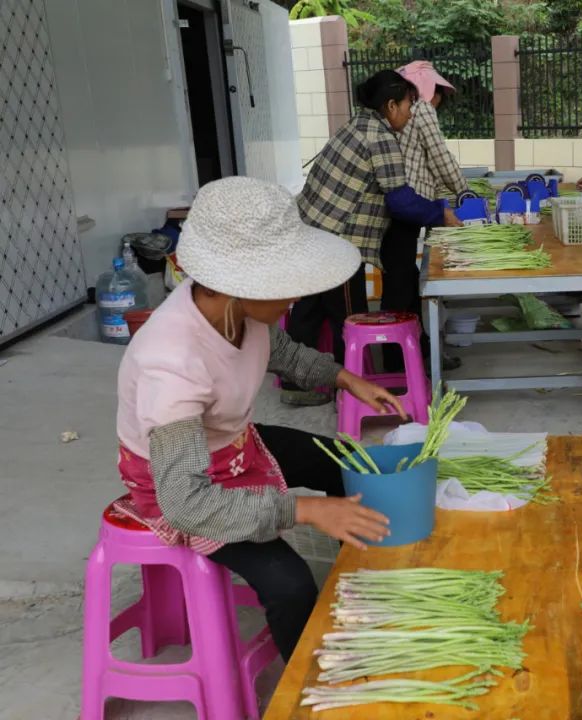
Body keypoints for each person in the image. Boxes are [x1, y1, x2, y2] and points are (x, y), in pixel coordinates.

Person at [115, 176, 408, 660]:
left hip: (230, 446)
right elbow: (186, 503)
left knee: (347, 464)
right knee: (291, 586)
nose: (292, 298)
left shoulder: (241, 315)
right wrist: (304, 510)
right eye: (283, 285)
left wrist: (346, 379)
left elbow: (285, 353)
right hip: (185, 484)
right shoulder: (170, 364)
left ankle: (361, 587)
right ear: (235, 286)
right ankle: (309, 685)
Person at [282, 69, 462, 405]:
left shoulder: (358, 124)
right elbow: (400, 199)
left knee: (311, 306)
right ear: (391, 105)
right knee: (348, 317)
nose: (411, 112)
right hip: (336, 240)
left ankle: (296, 386)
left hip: (310, 228)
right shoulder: (379, 135)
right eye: (409, 104)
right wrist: (442, 214)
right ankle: (350, 391)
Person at [384, 60, 470, 373]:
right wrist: (464, 191)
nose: (437, 103)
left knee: (403, 279)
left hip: (403, 203)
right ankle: (399, 361)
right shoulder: (420, 108)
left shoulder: (401, 111)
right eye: (437, 95)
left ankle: (414, 352)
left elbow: (429, 162)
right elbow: (439, 156)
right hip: (406, 205)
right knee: (401, 285)